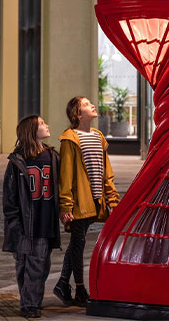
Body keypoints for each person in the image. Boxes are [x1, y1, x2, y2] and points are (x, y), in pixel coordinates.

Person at [53, 96, 120, 306]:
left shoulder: (98, 136)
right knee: (78, 243)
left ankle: (63, 283)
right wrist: (65, 205)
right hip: (80, 201)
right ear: (78, 114)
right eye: (86, 104)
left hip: (96, 200)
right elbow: (65, 176)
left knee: (76, 242)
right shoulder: (70, 139)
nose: (92, 105)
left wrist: (112, 199)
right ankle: (80, 289)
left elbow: (106, 172)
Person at [2, 115, 61, 318]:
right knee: (23, 266)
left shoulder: (52, 157)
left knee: (39, 265)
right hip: (22, 225)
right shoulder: (17, 161)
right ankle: (29, 302)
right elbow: (9, 196)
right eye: (42, 124)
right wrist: (14, 222)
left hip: (44, 222)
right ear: (32, 131)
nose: (47, 125)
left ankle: (30, 305)